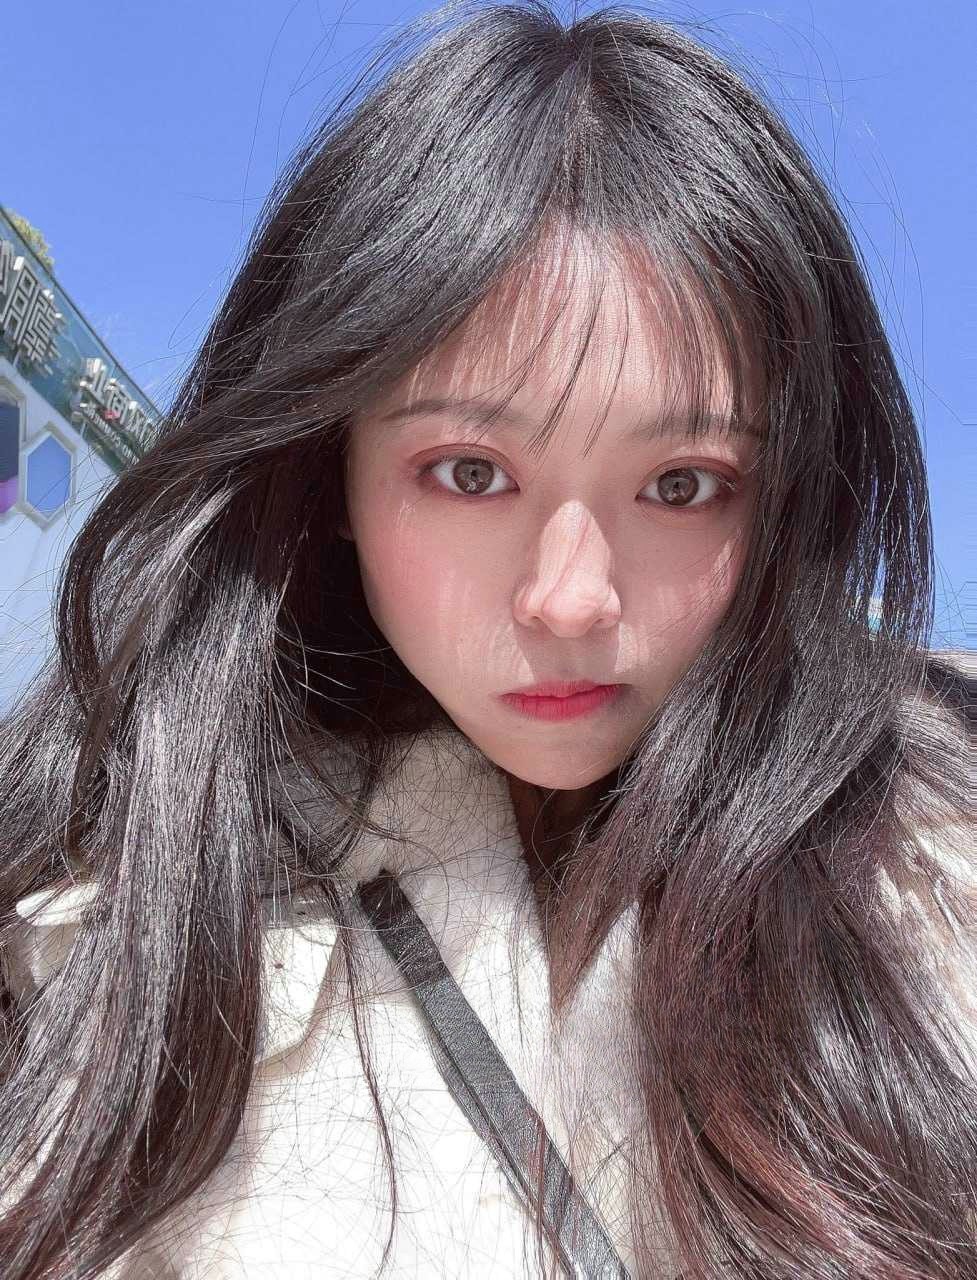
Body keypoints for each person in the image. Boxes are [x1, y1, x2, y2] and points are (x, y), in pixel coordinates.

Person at [1, 2, 974, 1277]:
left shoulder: (927, 846)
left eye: (681, 484)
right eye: (470, 472)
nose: (570, 599)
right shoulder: (115, 880)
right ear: (328, 469)